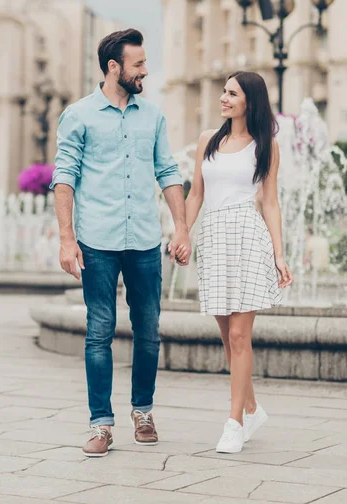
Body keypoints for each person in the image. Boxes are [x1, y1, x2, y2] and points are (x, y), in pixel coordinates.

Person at [50, 28, 191, 457]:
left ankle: (143, 412)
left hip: (146, 239)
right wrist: (66, 239)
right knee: (99, 332)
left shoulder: (153, 115)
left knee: (148, 331)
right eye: (139, 64)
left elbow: (167, 171)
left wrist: (182, 228)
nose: (145, 70)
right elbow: (64, 177)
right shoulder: (79, 115)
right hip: (96, 239)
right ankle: (101, 424)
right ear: (114, 67)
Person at [176, 71, 293, 454]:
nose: (223, 98)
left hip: (247, 235)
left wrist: (278, 253)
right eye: (223, 92)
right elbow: (195, 196)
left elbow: (270, 202)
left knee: (241, 336)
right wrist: (183, 233)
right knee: (228, 337)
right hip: (214, 239)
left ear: (250, 101)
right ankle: (253, 407)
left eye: (232, 93)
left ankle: (234, 422)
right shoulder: (208, 140)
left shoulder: (265, 145)